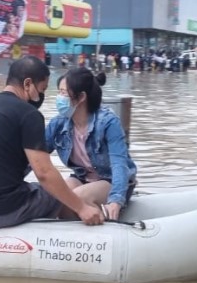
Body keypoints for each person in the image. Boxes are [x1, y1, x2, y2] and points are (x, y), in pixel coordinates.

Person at [0, 56, 103, 228]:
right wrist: (81, 207)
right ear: (28, 84)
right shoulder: (29, 115)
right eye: (42, 89)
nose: (42, 96)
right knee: (59, 193)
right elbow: (44, 173)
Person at [44, 68, 137, 221]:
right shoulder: (57, 124)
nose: (59, 98)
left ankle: (104, 224)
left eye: (63, 93)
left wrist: (116, 200)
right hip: (82, 177)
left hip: (112, 181)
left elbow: (119, 164)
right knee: (57, 199)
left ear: (81, 97)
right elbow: (36, 157)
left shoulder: (108, 122)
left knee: (74, 200)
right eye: (59, 92)